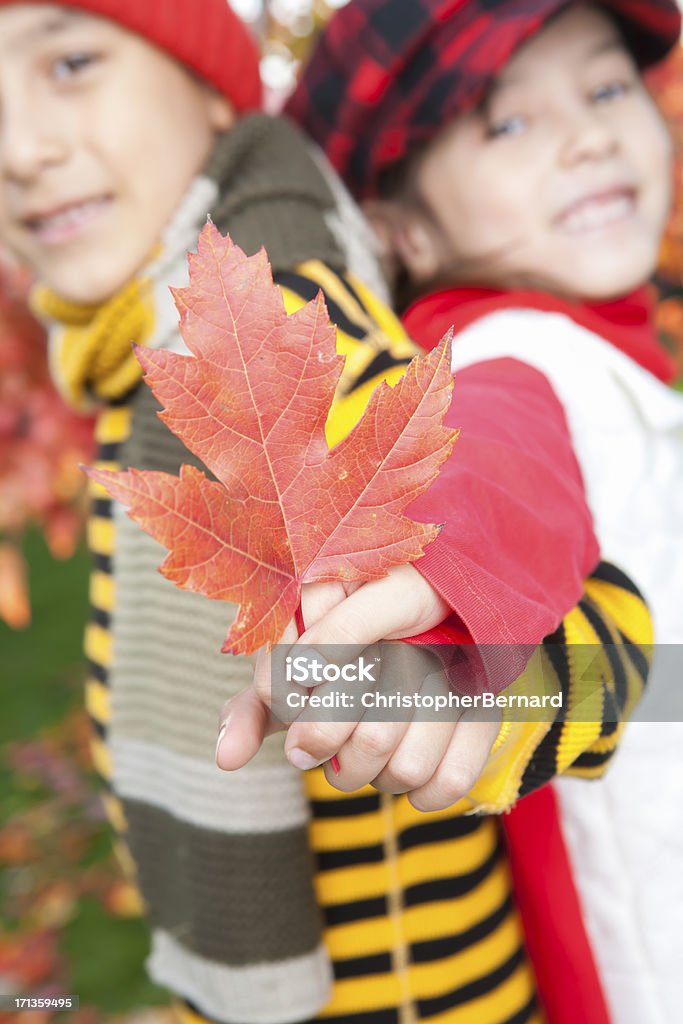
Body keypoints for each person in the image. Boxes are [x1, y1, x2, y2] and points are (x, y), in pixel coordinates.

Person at [0, 2, 655, 1023]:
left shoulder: (278, 340)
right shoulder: (154, 362)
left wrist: (464, 666)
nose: (21, 146)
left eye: (72, 63)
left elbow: (608, 622)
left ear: (215, 88)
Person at [288, 1, 683, 1021]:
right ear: (403, 229)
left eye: (604, 88)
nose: (589, 134)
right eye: (505, 125)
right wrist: (447, 586)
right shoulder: (507, 354)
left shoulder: (599, 341)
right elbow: (486, 455)